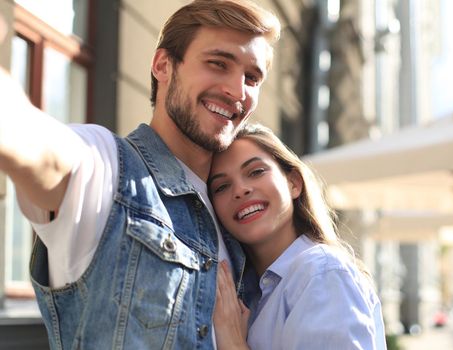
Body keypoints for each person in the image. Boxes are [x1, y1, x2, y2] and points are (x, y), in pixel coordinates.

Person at [0, 1, 280, 349]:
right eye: (218, 63)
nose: (237, 92)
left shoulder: (235, 213)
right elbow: (39, 149)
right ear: (163, 65)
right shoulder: (110, 169)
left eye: (251, 78)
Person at [208, 123, 387, 349]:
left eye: (256, 172)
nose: (240, 190)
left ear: (293, 183)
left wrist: (233, 343)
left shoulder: (321, 271)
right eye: (222, 187)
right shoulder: (256, 295)